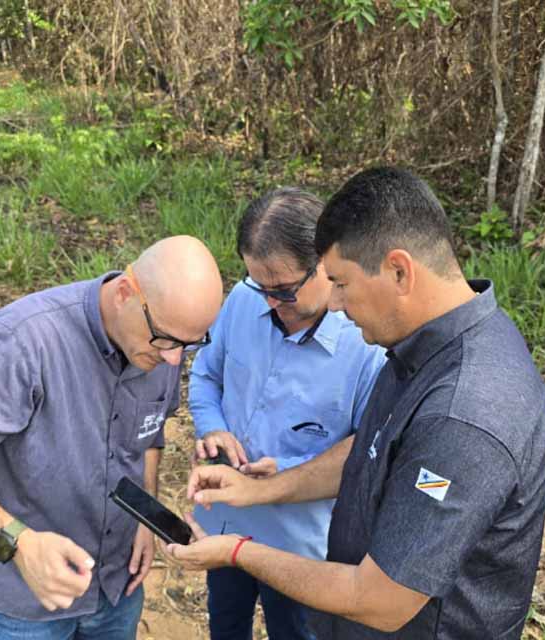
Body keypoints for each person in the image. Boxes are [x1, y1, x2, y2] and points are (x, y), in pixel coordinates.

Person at [166, 168, 545, 640]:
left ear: (398, 271)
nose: (334, 305)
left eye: (343, 283)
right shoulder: (417, 347)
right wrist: (258, 491)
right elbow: (368, 451)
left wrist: (237, 553)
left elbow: (380, 601)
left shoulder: (463, 416)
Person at [0, 236, 223, 640]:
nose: (175, 359)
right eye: (167, 340)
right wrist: (18, 542)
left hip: (116, 585)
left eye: (190, 345)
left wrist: (146, 514)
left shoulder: (161, 341)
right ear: (126, 293)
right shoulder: (21, 342)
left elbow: (149, 429)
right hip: (26, 604)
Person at [188, 187, 386, 640]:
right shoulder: (244, 299)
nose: (271, 303)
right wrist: (213, 426)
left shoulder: (366, 344)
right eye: (261, 288)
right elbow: (205, 376)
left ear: (327, 265)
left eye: (285, 291)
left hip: (304, 548)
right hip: (228, 525)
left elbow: (368, 450)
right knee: (227, 624)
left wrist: (290, 472)